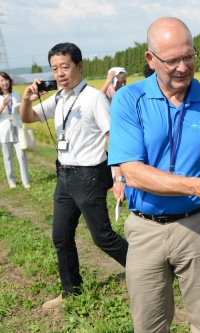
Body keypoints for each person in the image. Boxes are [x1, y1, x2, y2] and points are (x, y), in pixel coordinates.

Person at [108, 17, 200, 333]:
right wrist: (195, 185)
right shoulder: (130, 99)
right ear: (151, 59)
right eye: (172, 60)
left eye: (189, 56)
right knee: (149, 325)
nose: (182, 67)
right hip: (145, 229)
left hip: (199, 226)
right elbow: (134, 173)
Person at [19, 42, 129, 310]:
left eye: (65, 67)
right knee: (61, 236)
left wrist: (119, 178)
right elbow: (29, 117)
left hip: (89, 175)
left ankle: (148, 268)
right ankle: (71, 290)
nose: (59, 73)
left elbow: (112, 137)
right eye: (55, 68)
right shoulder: (58, 98)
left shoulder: (94, 98)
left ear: (79, 66)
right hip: (65, 176)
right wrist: (25, 99)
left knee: (102, 236)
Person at [0, 72, 30, 189]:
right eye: (1, 81)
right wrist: (3, 105)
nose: (4, 82)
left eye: (5, 80)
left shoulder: (16, 94)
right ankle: (11, 180)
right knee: (7, 157)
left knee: (21, 155)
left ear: (9, 81)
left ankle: (25, 180)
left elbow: (21, 110)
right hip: (4, 130)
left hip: (17, 127)